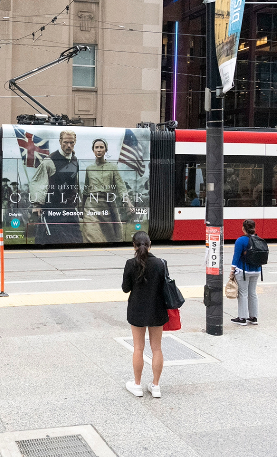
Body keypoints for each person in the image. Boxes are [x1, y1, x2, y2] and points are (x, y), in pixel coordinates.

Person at [121, 231, 168, 398]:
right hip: (157, 310)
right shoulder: (161, 263)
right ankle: (155, 386)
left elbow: (125, 288)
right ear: (150, 245)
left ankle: (137, 385)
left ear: (134, 246)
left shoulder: (130, 263)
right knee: (157, 349)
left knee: (138, 348)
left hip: (137, 310)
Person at [29, 130, 82, 244]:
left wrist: (79, 203)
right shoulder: (50, 161)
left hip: (70, 209)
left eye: (71, 142)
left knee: (76, 239)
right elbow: (38, 182)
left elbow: (75, 184)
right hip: (53, 208)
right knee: (52, 238)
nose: (68, 145)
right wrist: (37, 204)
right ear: (60, 141)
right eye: (65, 142)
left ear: (75, 142)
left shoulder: (75, 160)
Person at [81, 138, 129, 243]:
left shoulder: (112, 167)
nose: (99, 150)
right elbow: (86, 189)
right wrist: (81, 208)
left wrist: (127, 202)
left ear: (105, 150)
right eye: (96, 147)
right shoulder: (89, 168)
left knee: (111, 236)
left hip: (108, 205)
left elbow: (121, 186)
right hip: (91, 205)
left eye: (101, 147)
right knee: (91, 233)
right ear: (93, 150)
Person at [230, 219, 262, 326]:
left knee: (243, 293)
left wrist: (232, 271)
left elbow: (236, 257)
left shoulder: (241, 240)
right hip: (257, 271)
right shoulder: (259, 239)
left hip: (243, 271)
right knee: (252, 293)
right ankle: (253, 317)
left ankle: (242, 318)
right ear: (254, 228)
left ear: (243, 228)